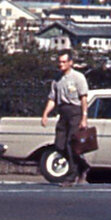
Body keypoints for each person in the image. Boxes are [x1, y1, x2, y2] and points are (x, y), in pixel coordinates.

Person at [39, 50, 90, 184]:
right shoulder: (57, 79)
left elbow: (83, 98)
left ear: (70, 63)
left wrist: (84, 118)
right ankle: (82, 165)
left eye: (63, 62)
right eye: (59, 62)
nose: (60, 64)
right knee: (59, 145)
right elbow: (52, 99)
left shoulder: (78, 78)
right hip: (63, 112)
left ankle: (72, 174)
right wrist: (45, 114)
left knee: (70, 144)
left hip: (75, 112)